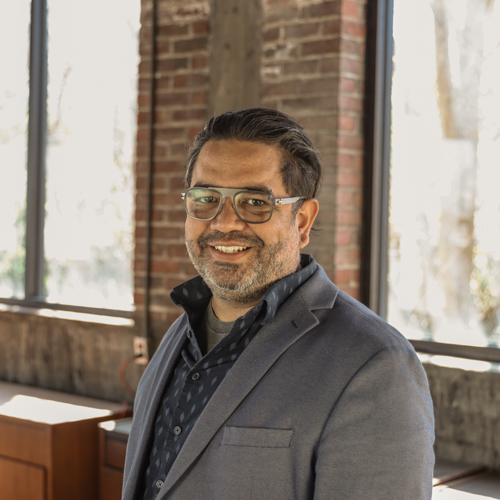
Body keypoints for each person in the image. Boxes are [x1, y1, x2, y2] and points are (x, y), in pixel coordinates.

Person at [122, 108, 435, 500]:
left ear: (302, 221)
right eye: (206, 198)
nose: (224, 222)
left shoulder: (376, 365)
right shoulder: (180, 334)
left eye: (256, 202)